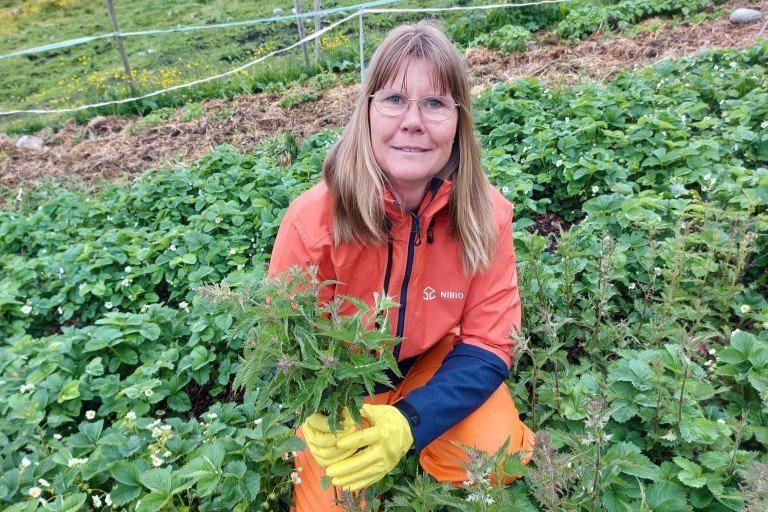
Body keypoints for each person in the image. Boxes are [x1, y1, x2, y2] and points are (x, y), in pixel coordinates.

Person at [267, 20, 533, 511]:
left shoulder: (486, 214)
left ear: (459, 121)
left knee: (496, 454)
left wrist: (410, 421)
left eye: (434, 103)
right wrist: (322, 414)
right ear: (367, 112)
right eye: (393, 99)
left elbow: (489, 343)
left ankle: (425, 442)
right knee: (335, 503)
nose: (413, 121)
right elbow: (282, 343)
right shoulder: (312, 221)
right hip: (341, 383)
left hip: (428, 365)